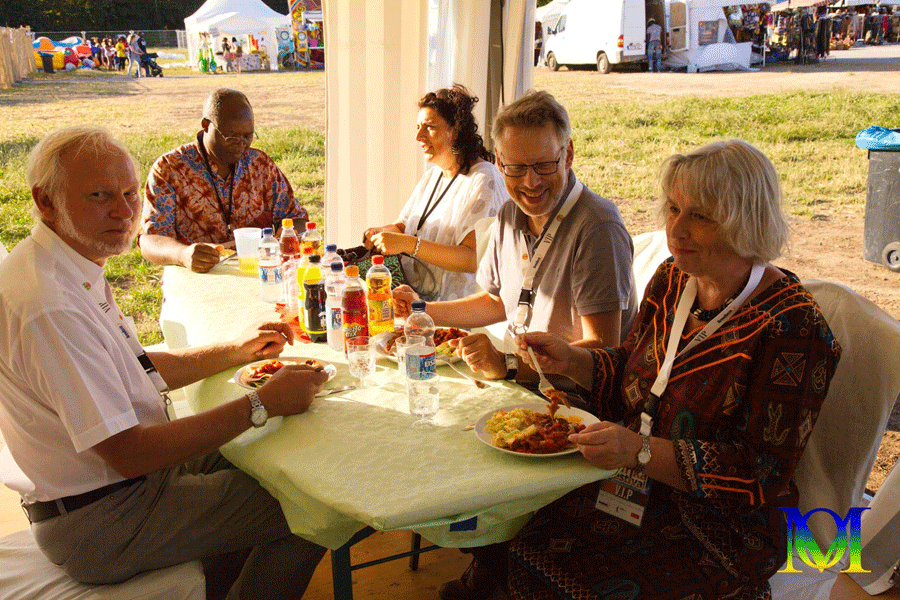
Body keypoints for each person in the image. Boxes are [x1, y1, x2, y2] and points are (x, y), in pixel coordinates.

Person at [502, 140, 842, 599]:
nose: (676, 229)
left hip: (723, 525)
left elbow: (760, 471)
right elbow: (636, 371)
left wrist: (639, 451)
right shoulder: (673, 277)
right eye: (674, 209)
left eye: (700, 216)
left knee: (574, 581)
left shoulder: (793, 329)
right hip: (636, 488)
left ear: (746, 222)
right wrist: (574, 361)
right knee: (513, 534)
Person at [0, 125, 328, 598]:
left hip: (124, 489)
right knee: (310, 504)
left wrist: (237, 350)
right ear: (46, 201)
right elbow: (131, 452)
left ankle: (220, 579)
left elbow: (131, 366)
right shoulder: (49, 306)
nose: (124, 211)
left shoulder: (66, 263)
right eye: (99, 196)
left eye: (131, 194)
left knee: (279, 455)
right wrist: (262, 403)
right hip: (105, 519)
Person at [393, 90, 637, 382]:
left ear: (568, 154)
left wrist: (506, 365)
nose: (530, 182)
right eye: (516, 168)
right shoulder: (510, 214)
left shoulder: (598, 227)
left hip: (570, 401)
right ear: (498, 161)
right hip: (519, 380)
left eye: (544, 165)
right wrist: (421, 310)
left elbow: (602, 353)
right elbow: (497, 303)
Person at [140, 88, 309, 272]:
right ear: (206, 125)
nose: (241, 145)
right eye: (232, 137)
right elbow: (150, 240)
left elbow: (297, 218)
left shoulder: (260, 165)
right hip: (197, 278)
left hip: (257, 274)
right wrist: (183, 255)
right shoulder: (170, 169)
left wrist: (287, 236)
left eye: (247, 136)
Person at [362, 85, 506, 301]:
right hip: (416, 302)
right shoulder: (433, 176)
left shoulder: (484, 180)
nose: (419, 135)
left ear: (455, 129)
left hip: (456, 311)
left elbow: (471, 258)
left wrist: (408, 244)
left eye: (429, 127)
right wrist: (381, 233)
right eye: (418, 127)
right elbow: (403, 226)